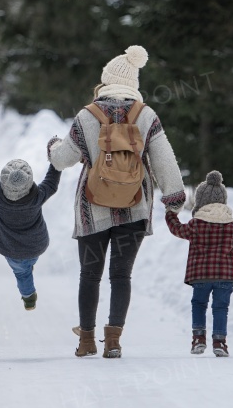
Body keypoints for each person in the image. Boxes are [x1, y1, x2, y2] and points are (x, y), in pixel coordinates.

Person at [48, 45, 186, 358]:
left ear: (106, 80)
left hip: (92, 206)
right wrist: (174, 198)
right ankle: (113, 340)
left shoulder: (87, 115)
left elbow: (61, 160)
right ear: (133, 84)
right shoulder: (146, 115)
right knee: (121, 275)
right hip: (135, 206)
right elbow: (164, 160)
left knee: (90, 275)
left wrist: (53, 146)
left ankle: (86, 341)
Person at [164, 171, 233, 357]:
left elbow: (178, 230)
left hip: (201, 275)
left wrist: (171, 214)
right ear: (223, 200)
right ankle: (220, 342)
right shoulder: (232, 225)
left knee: (199, 304)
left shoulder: (197, 224)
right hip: (226, 277)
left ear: (200, 201)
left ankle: (198, 340)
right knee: (221, 308)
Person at [0, 153, 62, 310]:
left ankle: (29, 298)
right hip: (36, 247)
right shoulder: (38, 196)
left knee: (22, 273)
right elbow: (51, 183)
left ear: (4, 180)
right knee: (27, 264)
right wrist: (55, 157)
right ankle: (28, 264)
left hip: (11, 250)